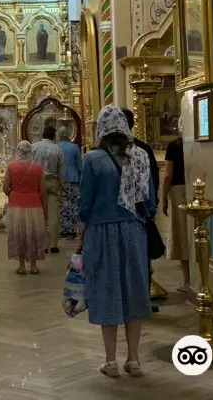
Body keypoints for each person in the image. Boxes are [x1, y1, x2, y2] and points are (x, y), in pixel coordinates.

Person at [78, 106, 155, 378]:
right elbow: (149, 201)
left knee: (106, 290)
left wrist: (79, 233)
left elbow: (85, 201)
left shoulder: (92, 159)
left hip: (101, 232)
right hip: (133, 232)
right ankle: (133, 359)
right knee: (134, 290)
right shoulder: (141, 157)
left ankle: (110, 361)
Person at [122, 108, 160, 313]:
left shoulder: (105, 153)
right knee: (141, 258)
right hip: (141, 213)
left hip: (119, 216)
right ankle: (143, 298)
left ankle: (126, 298)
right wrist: (152, 208)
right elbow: (152, 181)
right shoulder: (143, 149)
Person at [3, 141, 47, 274]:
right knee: (34, 234)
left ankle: (21, 266)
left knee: (19, 234)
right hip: (34, 205)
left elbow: (5, 188)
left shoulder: (11, 167)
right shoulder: (38, 168)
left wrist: (14, 195)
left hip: (16, 206)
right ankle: (33, 266)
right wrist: (44, 208)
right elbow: (43, 190)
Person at [162, 117, 190, 292]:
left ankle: (187, 279)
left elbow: (167, 175)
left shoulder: (174, 146)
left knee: (181, 233)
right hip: (195, 188)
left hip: (179, 191)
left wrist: (163, 198)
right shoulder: (195, 144)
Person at [31, 125, 65, 253]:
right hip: (53, 181)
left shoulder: (34, 147)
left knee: (40, 213)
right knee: (53, 213)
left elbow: (30, 165)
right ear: (54, 136)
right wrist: (62, 184)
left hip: (37, 181)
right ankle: (54, 245)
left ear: (42, 135)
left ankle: (43, 244)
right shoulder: (57, 149)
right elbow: (61, 170)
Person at [56, 127, 81, 239]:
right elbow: (79, 165)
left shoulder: (56, 147)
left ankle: (63, 229)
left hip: (61, 179)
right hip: (74, 178)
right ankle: (73, 229)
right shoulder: (74, 147)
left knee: (63, 205)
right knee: (73, 204)